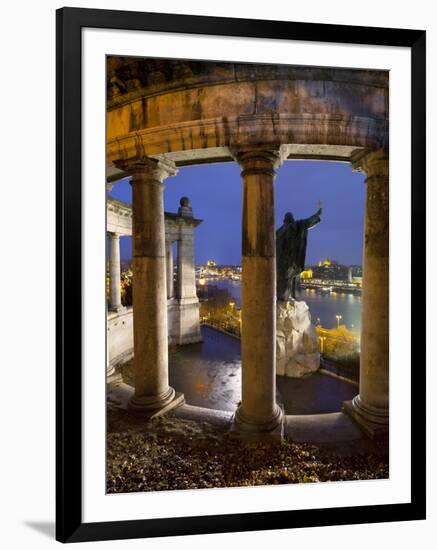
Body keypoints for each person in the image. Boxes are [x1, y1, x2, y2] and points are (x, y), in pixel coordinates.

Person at [276, 204, 322, 301]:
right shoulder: (295, 225)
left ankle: (282, 297)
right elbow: (307, 222)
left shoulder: (279, 231)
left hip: (280, 261)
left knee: (284, 278)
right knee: (293, 276)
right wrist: (317, 215)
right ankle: (293, 296)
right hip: (292, 258)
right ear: (291, 219)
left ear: (284, 220)